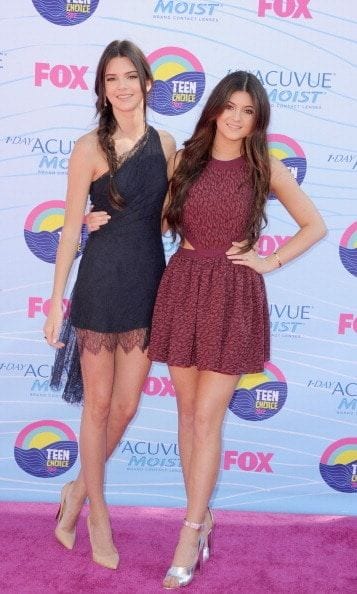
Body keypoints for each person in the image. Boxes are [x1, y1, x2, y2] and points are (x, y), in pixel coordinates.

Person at [146, 71, 327, 589]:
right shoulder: (186, 159)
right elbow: (159, 222)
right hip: (182, 286)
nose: (236, 117)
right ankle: (201, 516)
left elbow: (314, 226)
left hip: (234, 294)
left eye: (248, 111)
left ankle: (189, 529)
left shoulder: (264, 167)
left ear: (257, 119)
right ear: (215, 108)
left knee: (206, 418)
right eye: (230, 106)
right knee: (185, 414)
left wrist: (269, 261)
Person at [43, 39, 175, 570]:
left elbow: (165, 218)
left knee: (125, 406)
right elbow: (70, 229)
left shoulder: (167, 144)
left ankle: (75, 491)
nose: (120, 87)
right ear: (102, 88)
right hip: (98, 282)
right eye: (110, 79)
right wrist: (56, 303)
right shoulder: (88, 147)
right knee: (96, 407)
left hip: (147, 281)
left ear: (148, 83)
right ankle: (98, 514)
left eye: (129, 77)